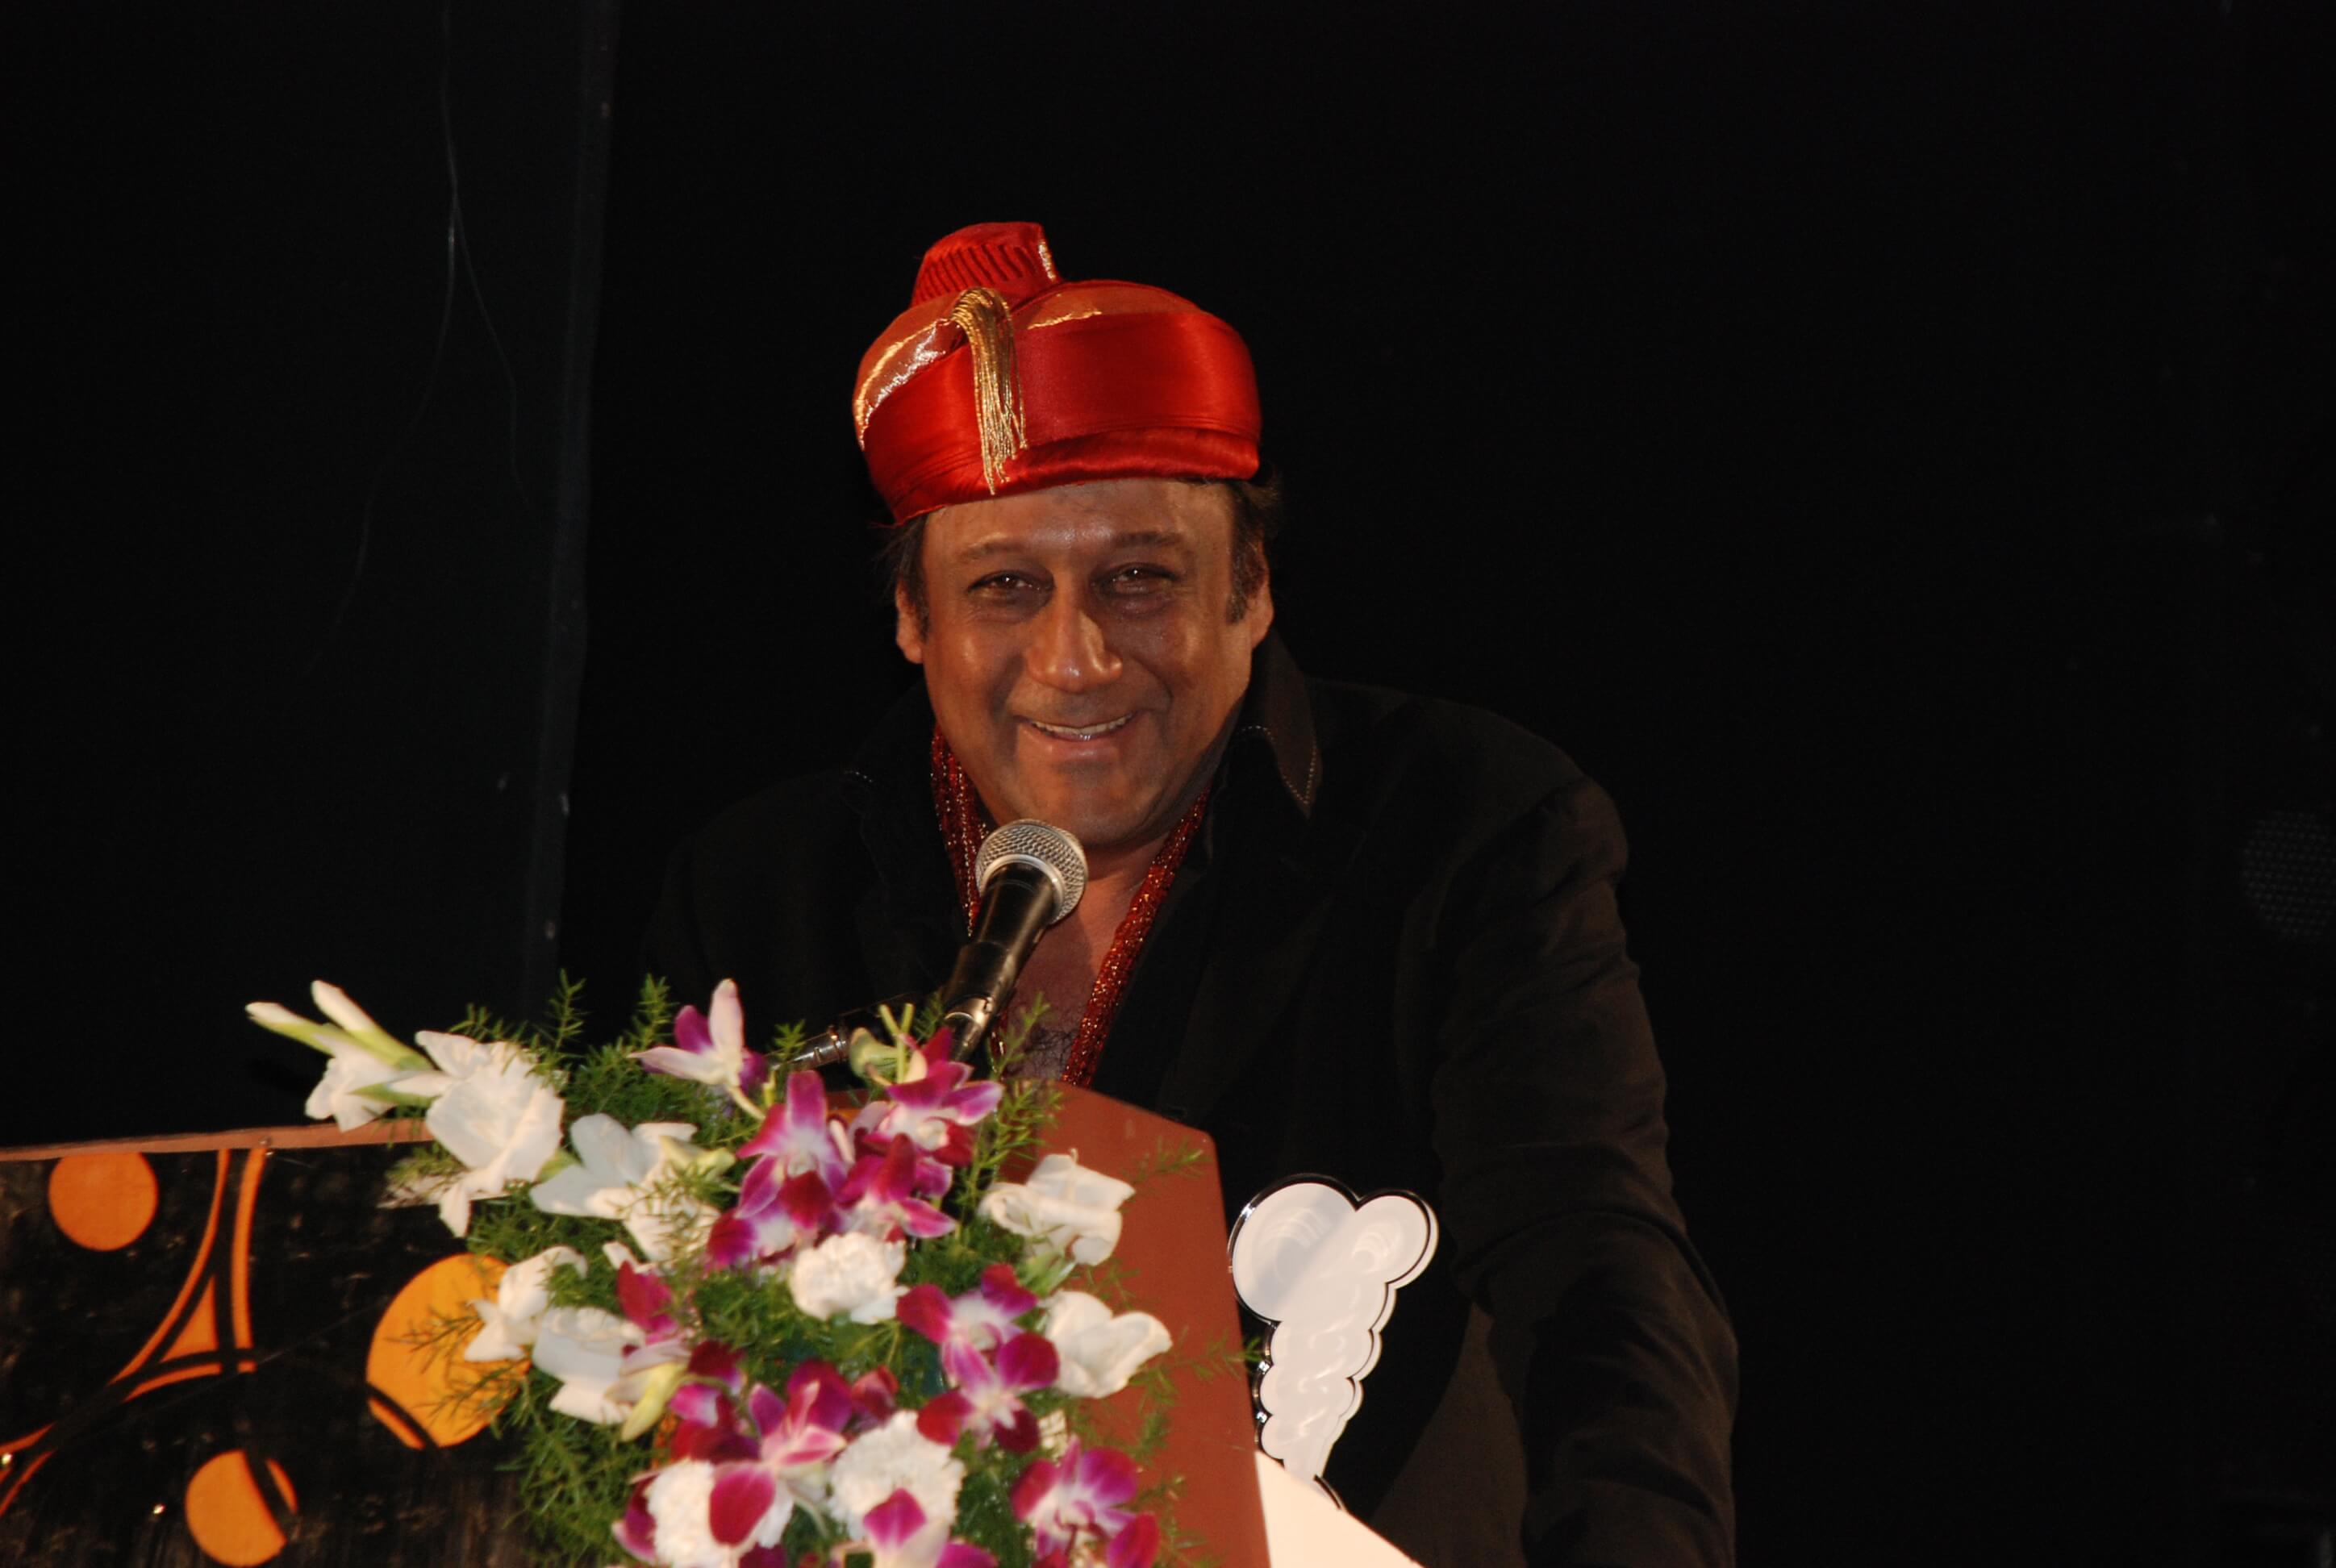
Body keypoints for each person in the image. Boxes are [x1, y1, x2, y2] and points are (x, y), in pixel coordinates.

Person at [645, 222, 1737, 1566]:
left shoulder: (1463, 825)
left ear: (1253, 587)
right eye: (1004, 587)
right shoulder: (761, 890)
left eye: (1139, 580)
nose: (1077, 658)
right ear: (913, 620)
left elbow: (1597, 1276)